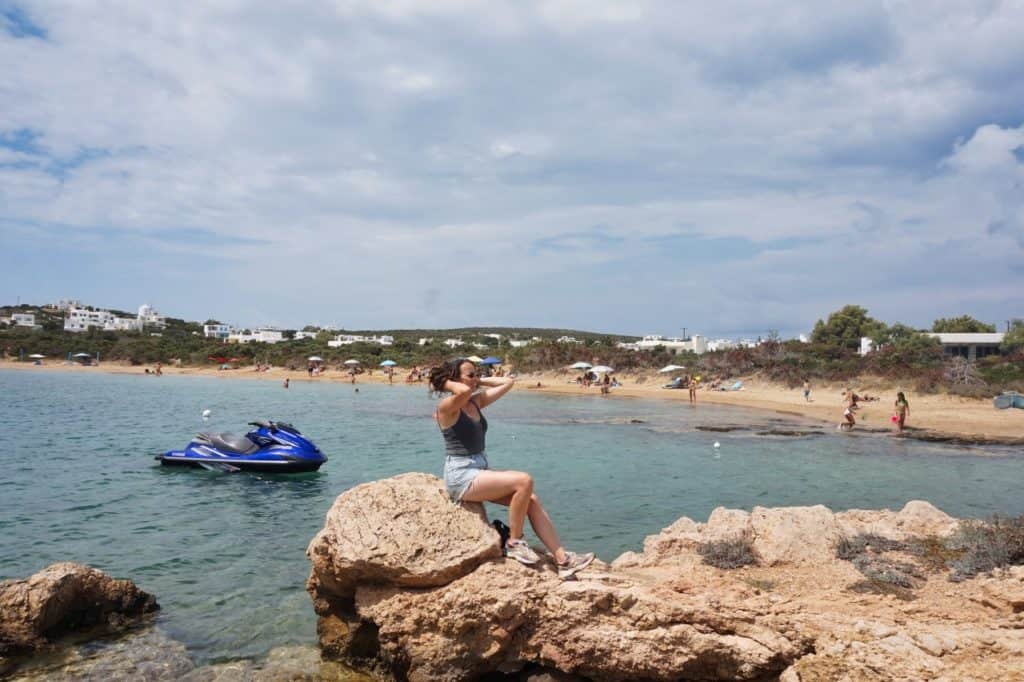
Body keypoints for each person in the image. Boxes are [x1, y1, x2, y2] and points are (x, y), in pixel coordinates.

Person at [430, 358, 594, 579]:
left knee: (531, 499)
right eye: (471, 374)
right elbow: (459, 392)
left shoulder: (475, 402)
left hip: (480, 469)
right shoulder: (447, 408)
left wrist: (477, 380)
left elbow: (507, 382)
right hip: (461, 475)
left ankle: (563, 560)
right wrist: (446, 383)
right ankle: (515, 543)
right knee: (523, 480)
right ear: (455, 380)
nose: (476, 378)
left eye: (477, 373)